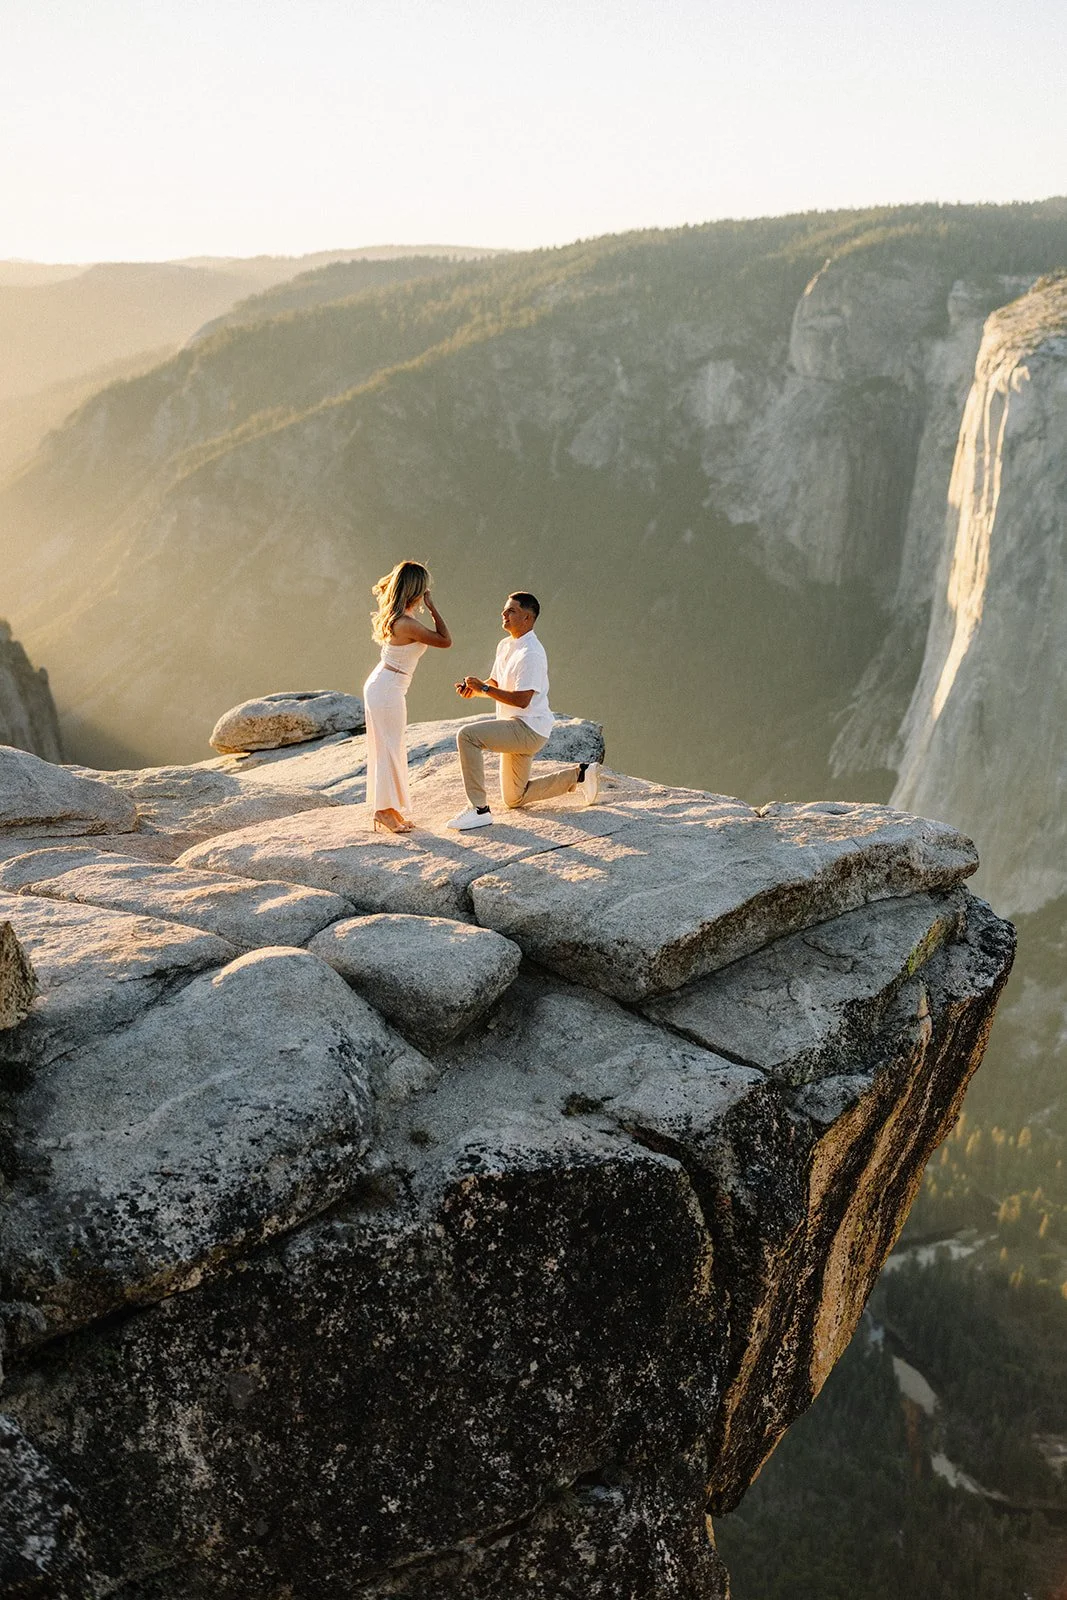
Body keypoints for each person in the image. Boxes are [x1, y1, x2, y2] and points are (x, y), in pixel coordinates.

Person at [446, 591, 599, 830]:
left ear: (527, 618)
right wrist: (475, 690)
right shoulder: (505, 645)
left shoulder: (532, 653)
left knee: (467, 736)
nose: (504, 614)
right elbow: (495, 683)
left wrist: (484, 688)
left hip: (528, 728)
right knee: (514, 798)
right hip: (515, 727)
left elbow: (522, 700)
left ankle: (479, 810)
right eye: (505, 610)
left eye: (511, 611)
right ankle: (580, 774)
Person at [363, 560, 451, 833]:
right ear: (417, 590)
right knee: (389, 749)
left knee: (389, 747)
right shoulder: (406, 623)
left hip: (384, 684)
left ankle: (389, 808)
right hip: (388, 688)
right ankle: (383, 811)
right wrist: (433, 607)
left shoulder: (398, 616)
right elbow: (445, 640)